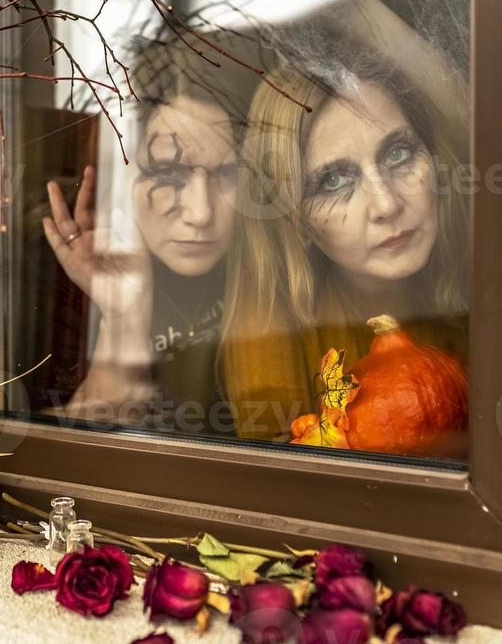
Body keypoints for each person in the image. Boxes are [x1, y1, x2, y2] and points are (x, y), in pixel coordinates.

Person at [220, 42, 469, 443]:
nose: (386, 204)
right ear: (296, 220)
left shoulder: (482, 276)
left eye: (399, 153)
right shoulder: (270, 339)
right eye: (334, 181)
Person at [42, 83, 241, 435]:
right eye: (167, 174)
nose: (200, 213)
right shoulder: (61, 292)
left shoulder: (252, 264)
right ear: (120, 178)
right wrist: (123, 319)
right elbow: (59, 461)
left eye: (225, 175)